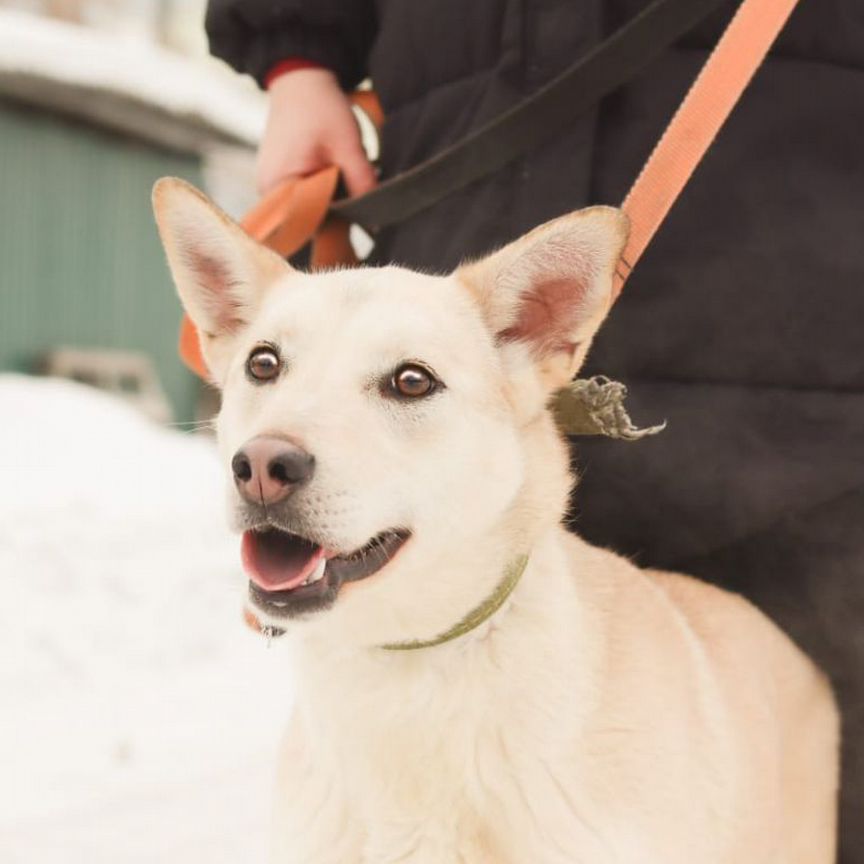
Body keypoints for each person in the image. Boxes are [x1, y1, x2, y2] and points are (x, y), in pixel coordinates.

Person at [205, 1, 864, 858]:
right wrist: (298, 58)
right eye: (263, 368)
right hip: (467, 156)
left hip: (799, 294)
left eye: (403, 382)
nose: (270, 455)